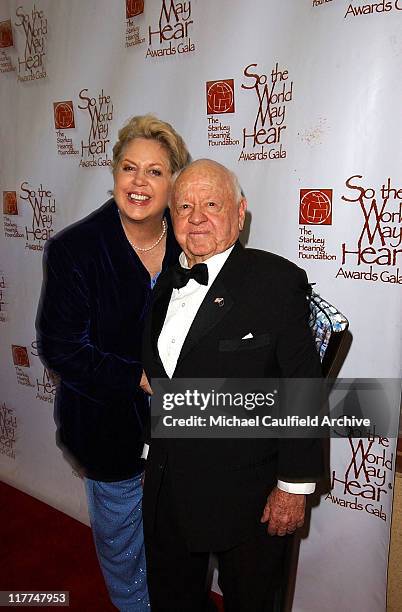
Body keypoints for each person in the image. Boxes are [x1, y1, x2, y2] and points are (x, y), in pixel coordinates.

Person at [141, 159, 323, 612]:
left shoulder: (276, 282)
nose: (196, 216)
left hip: (250, 497)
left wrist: (294, 487)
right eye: (184, 206)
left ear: (240, 214)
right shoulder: (166, 282)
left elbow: (303, 386)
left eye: (211, 204)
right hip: (168, 487)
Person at [36, 115, 190, 611]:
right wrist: (136, 378)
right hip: (107, 427)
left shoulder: (193, 244)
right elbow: (60, 347)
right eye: (129, 168)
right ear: (115, 174)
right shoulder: (75, 250)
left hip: (182, 428)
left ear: (173, 184)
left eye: (155, 171)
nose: (139, 182)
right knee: (124, 546)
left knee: (174, 542)